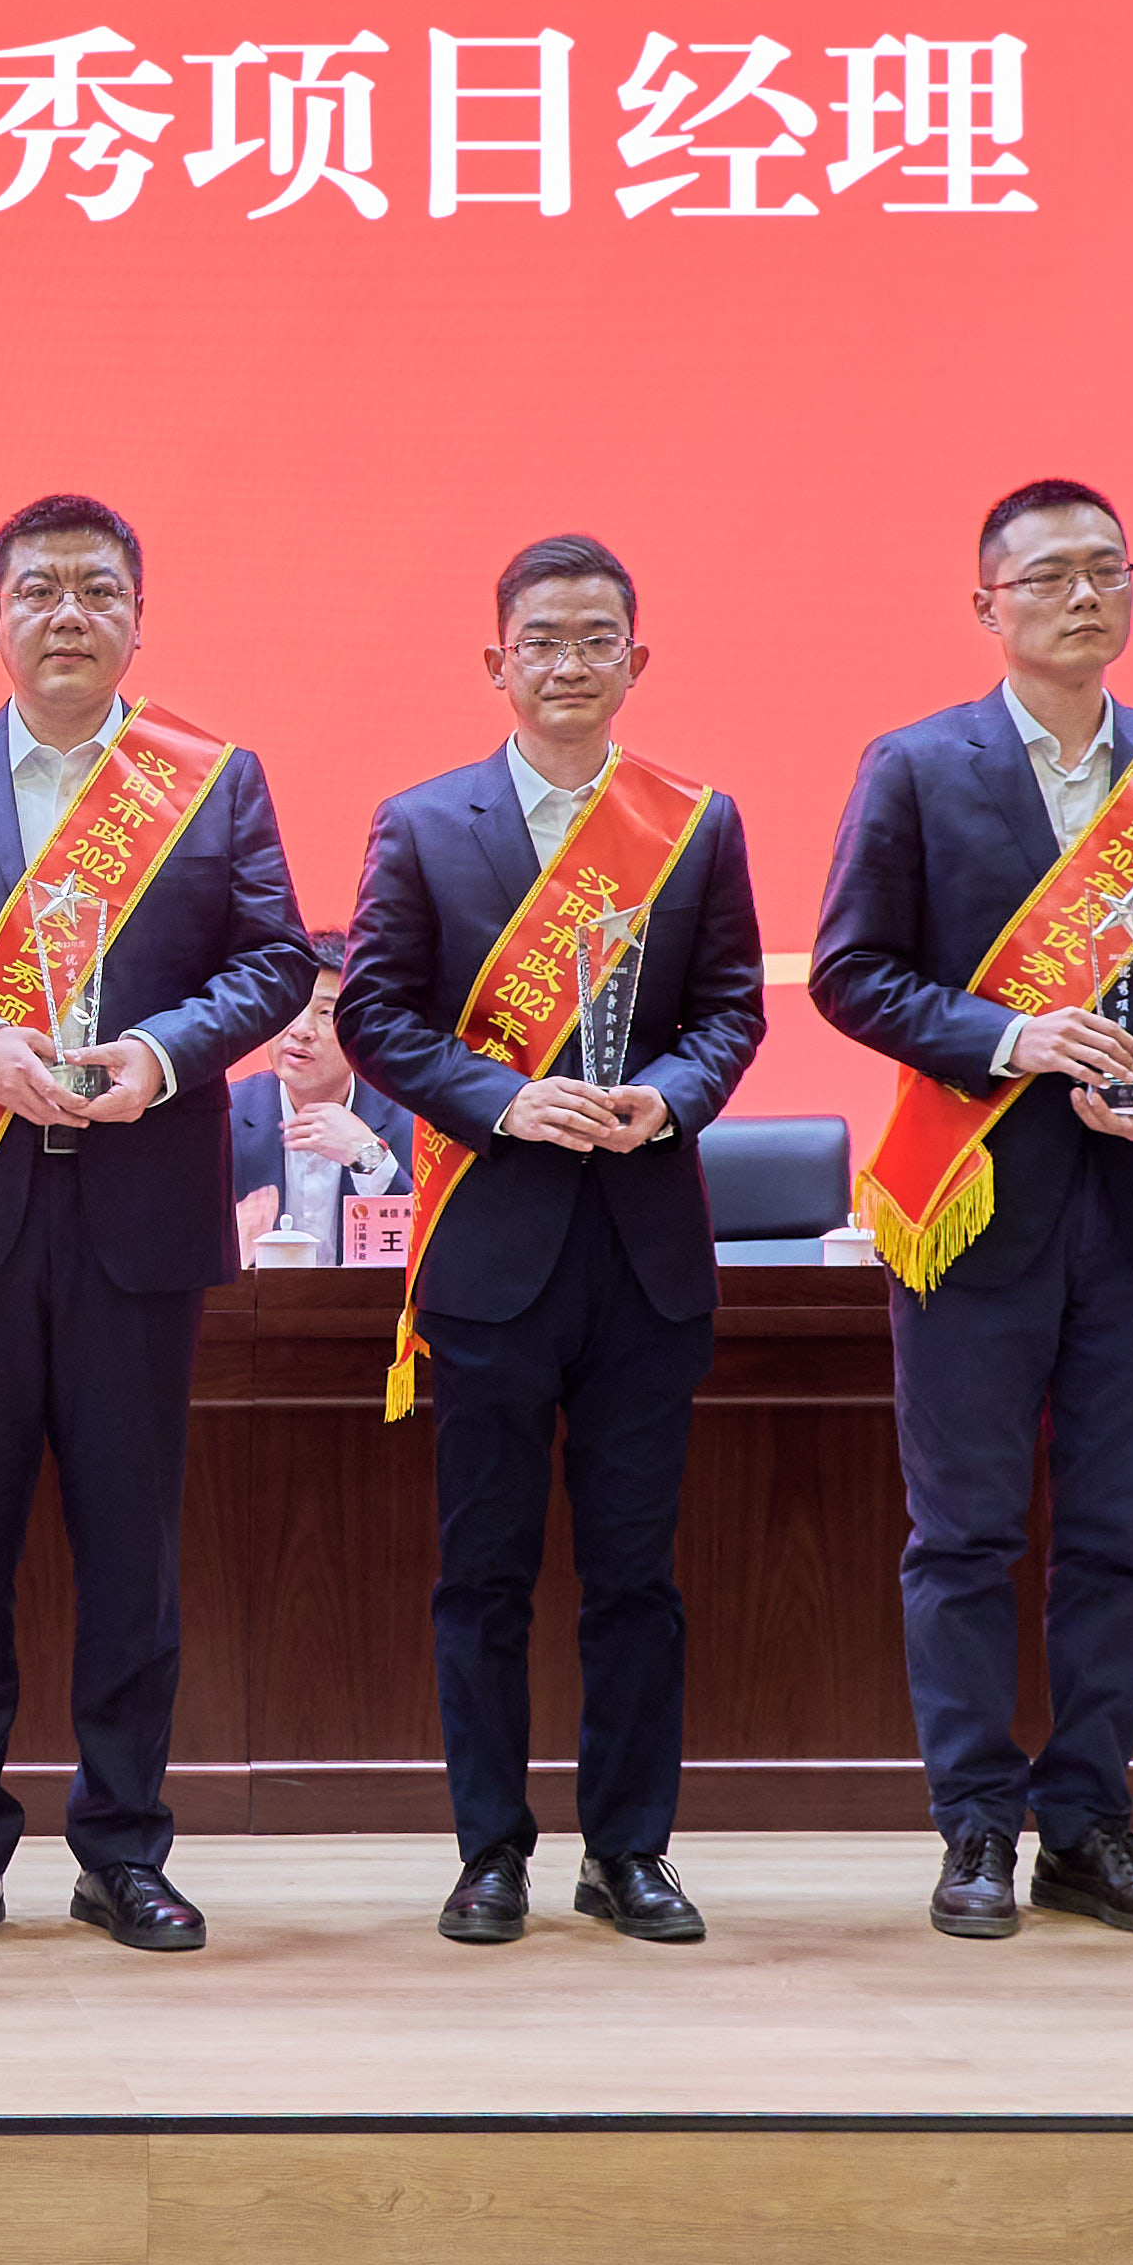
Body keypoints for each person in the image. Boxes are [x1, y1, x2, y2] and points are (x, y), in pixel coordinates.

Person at [0, 493, 316, 1957]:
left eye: (98, 589)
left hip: (137, 1214)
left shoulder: (210, 781)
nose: (68, 613)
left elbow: (275, 959)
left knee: (131, 1556)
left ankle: (123, 1848)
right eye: (38, 589)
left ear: (139, 620)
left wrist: (159, 1054)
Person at [810, 478, 1133, 1946]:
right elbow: (850, 971)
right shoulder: (915, 766)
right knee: (961, 1537)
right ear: (986, 604)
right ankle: (973, 1823)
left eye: (1106, 569)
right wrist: (1008, 1036)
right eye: (1050, 574)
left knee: (1119, 1540)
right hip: (971, 1206)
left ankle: (1087, 1824)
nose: (1083, 595)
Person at [338, 533, 765, 1950]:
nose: (569, 662)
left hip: (646, 1251)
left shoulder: (694, 822)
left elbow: (731, 1010)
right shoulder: (422, 823)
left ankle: (629, 1850)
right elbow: (375, 1014)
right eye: (543, 639)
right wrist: (502, 1097)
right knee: (485, 1572)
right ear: (496, 661)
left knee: (636, 1576)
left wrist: (671, 1095)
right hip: (491, 1250)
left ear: (636, 659)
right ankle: (490, 1850)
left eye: (596, 639)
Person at [231, 978, 403, 1256]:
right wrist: (227, 1249)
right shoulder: (224, 1118)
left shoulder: (410, 1118)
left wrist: (370, 1158)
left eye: (326, 1012)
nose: (300, 1030)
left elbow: (432, 1246)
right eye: (290, 1005)